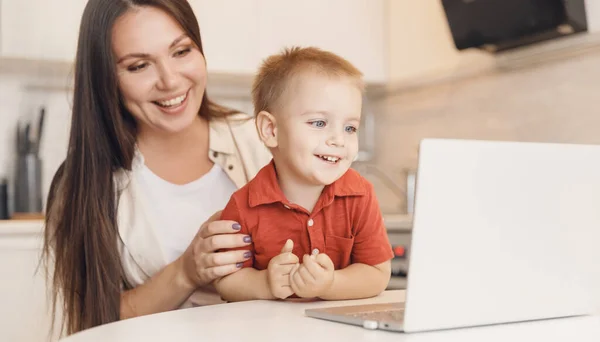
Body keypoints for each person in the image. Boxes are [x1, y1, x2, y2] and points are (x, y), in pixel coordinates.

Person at [41, 0, 270, 336]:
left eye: (181, 51)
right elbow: (96, 319)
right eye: (138, 66)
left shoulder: (262, 142)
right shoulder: (83, 183)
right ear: (106, 79)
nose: (170, 81)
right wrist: (186, 272)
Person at [214, 47, 394, 302]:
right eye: (319, 123)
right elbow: (225, 281)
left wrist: (330, 284)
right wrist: (264, 283)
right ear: (271, 130)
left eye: (350, 127)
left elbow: (377, 273)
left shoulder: (361, 194)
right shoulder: (243, 206)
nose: (338, 139)